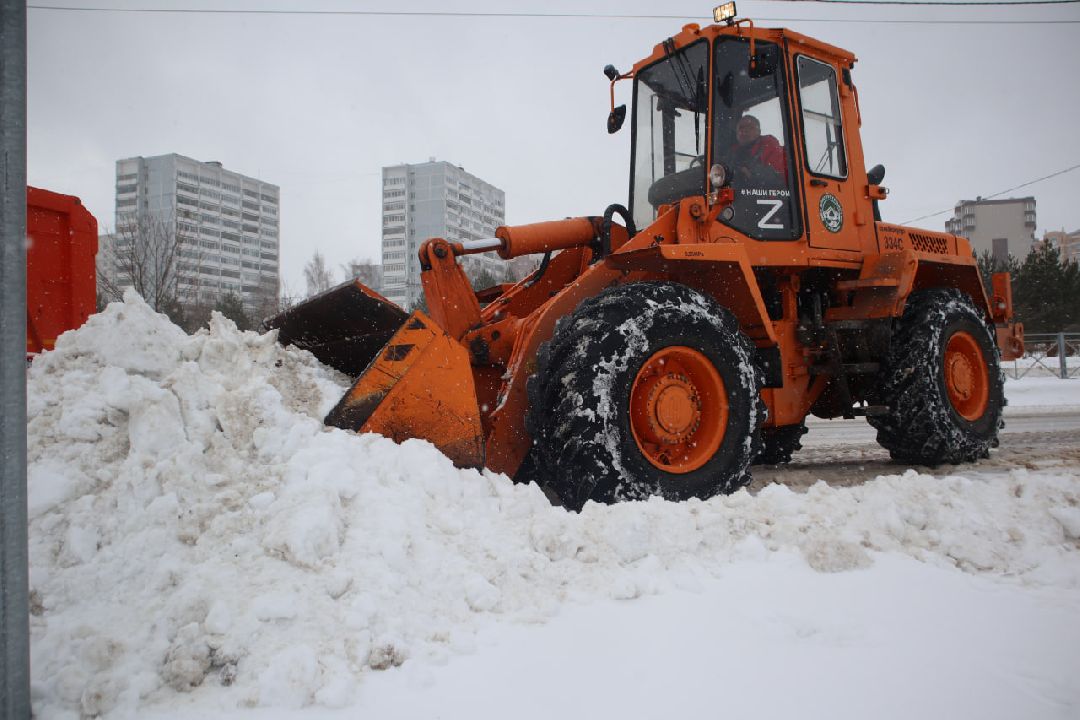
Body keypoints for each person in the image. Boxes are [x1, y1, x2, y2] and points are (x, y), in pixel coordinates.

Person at [729, 114, 786, 187]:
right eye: (741, 127)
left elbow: (779, 176)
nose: (745, 130)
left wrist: (751, 173)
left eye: (750, 127)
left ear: (759, 132)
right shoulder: (731, 153)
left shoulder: (770, 146)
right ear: (736, 133)